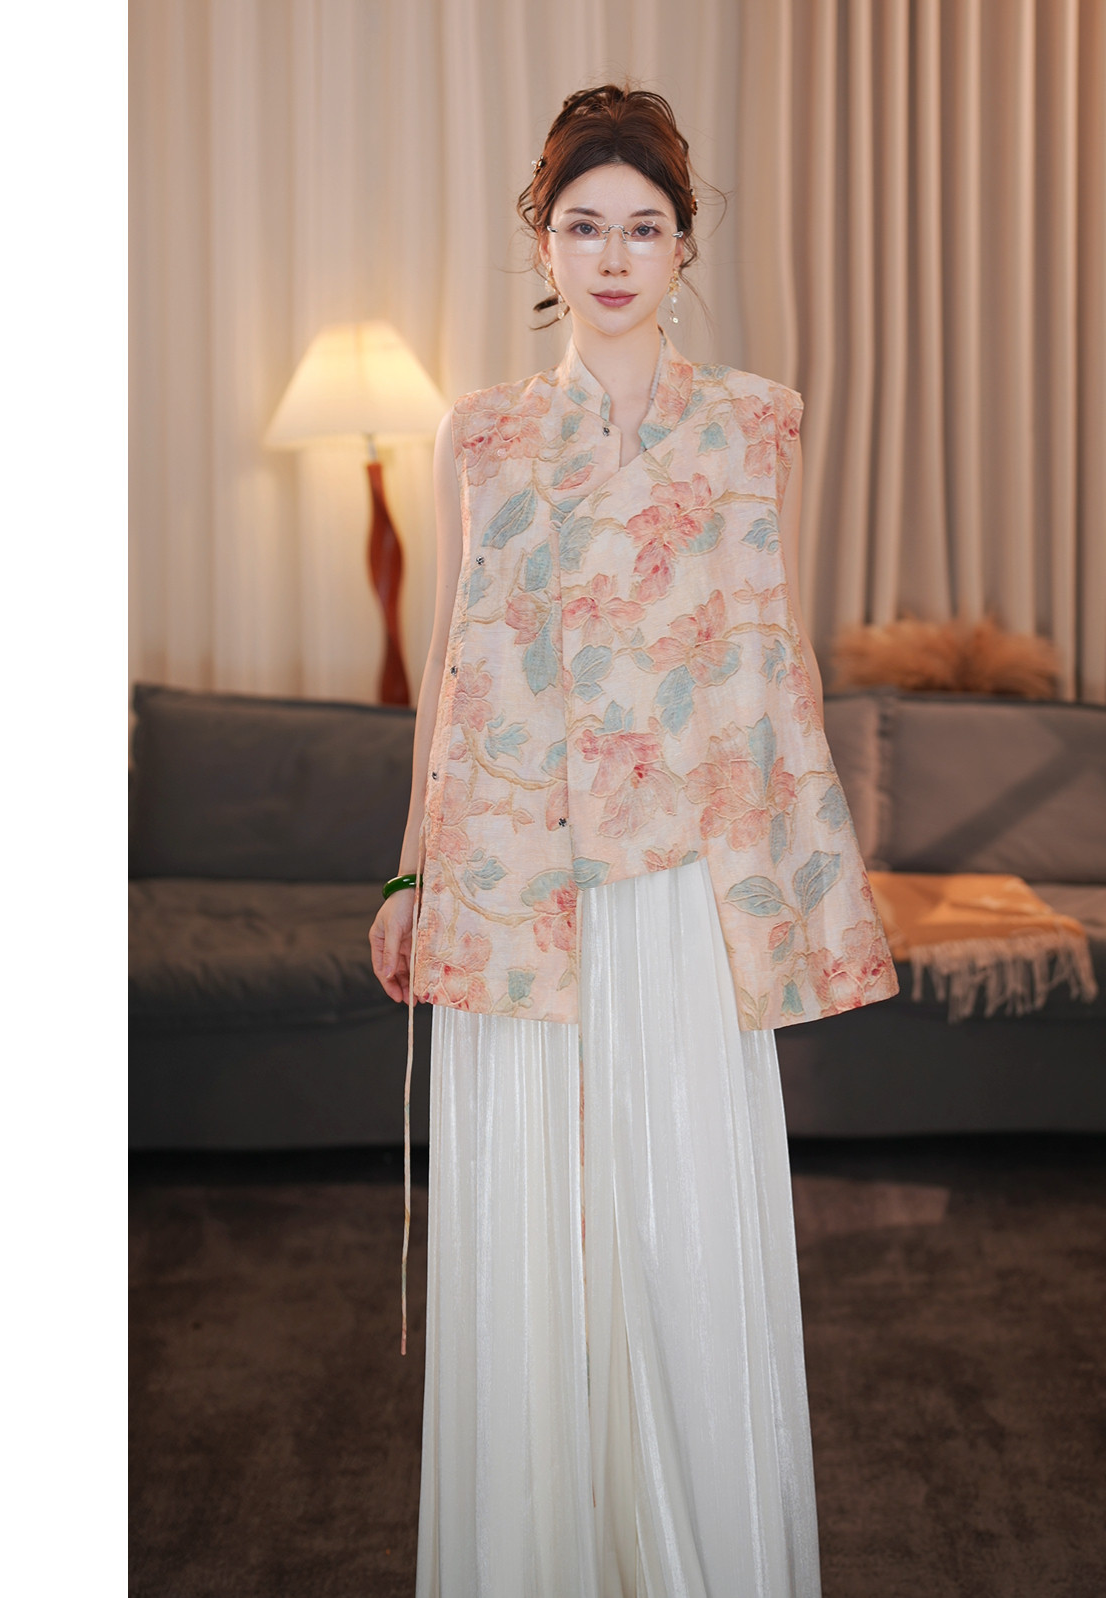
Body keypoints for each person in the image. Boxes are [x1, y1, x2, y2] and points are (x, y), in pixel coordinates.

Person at [370, 83, 898, 1598]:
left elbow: (769, 659)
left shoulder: (753, 423)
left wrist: (803, 886)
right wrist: (410, 873)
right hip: (517, 883)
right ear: (542, 240)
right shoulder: (482, 434)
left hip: (678, 887)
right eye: (584, 225)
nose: (612, 256)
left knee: (681, 1228)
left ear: (683, 244)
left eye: (643, 228)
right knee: (533, 1239)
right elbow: (452, 670)